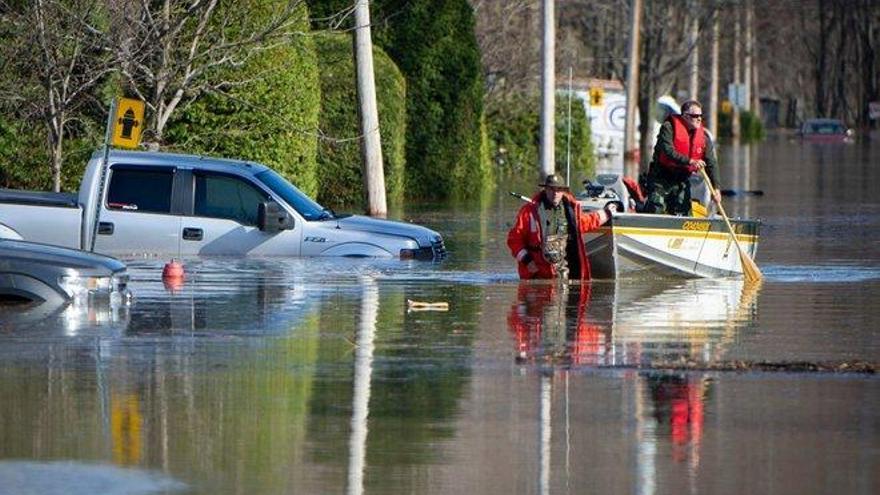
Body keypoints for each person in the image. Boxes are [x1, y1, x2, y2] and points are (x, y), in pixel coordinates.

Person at [507, 174, 614, 281]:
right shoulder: (529, 212)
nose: (555, 193)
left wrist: (607, 212)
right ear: (545, 189)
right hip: (535, 274)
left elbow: (585, 222)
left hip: (561, 273)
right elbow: (514, 240)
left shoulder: (570, 210)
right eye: (551, 189)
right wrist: (527, 260)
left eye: (558, 189)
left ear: (563, 191)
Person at [644, 100, 721, 216]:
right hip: (661, 176)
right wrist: (690, 161)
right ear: (685, 116)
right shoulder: (668, 128)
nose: (699, 119)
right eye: (695, 116)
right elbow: (668, 151)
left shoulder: (704, 138)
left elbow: (711, 163)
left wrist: (716, 188)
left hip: (681, 179)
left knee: (683, 211)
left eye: (701, 116)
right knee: (656, 208)